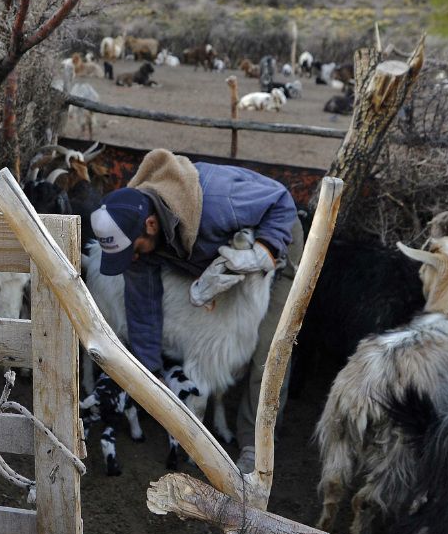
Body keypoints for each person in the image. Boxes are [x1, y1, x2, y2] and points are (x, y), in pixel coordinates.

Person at [88, 148, 302, 469]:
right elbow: (142, 308)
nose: (130, 259)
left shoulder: (217, 201)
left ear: (150, 224)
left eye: (131, 252)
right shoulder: (135, 236)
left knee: (268, 351)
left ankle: (253, 445)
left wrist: (265, 250)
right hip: (224, 254)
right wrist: (151, 376)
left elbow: (281, 201)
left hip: (275, 242)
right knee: (217, 332)